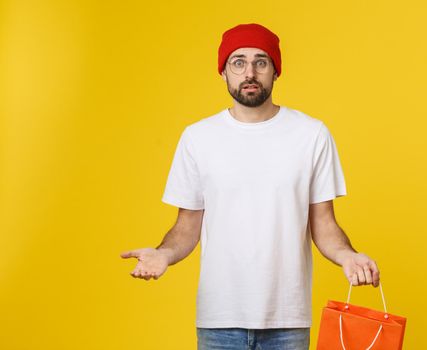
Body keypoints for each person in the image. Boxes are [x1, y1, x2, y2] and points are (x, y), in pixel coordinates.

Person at [121, 23, 380, 350]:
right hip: (219, 319)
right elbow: (187, 226)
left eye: (261, 61)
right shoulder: (198, 138)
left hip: (287, 321)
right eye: (238, 62)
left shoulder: (311, 135)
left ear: (275, 71)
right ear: (224, 73)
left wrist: (348, 256)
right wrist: (163, 254)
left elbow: (324, 223)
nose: (250, 72)